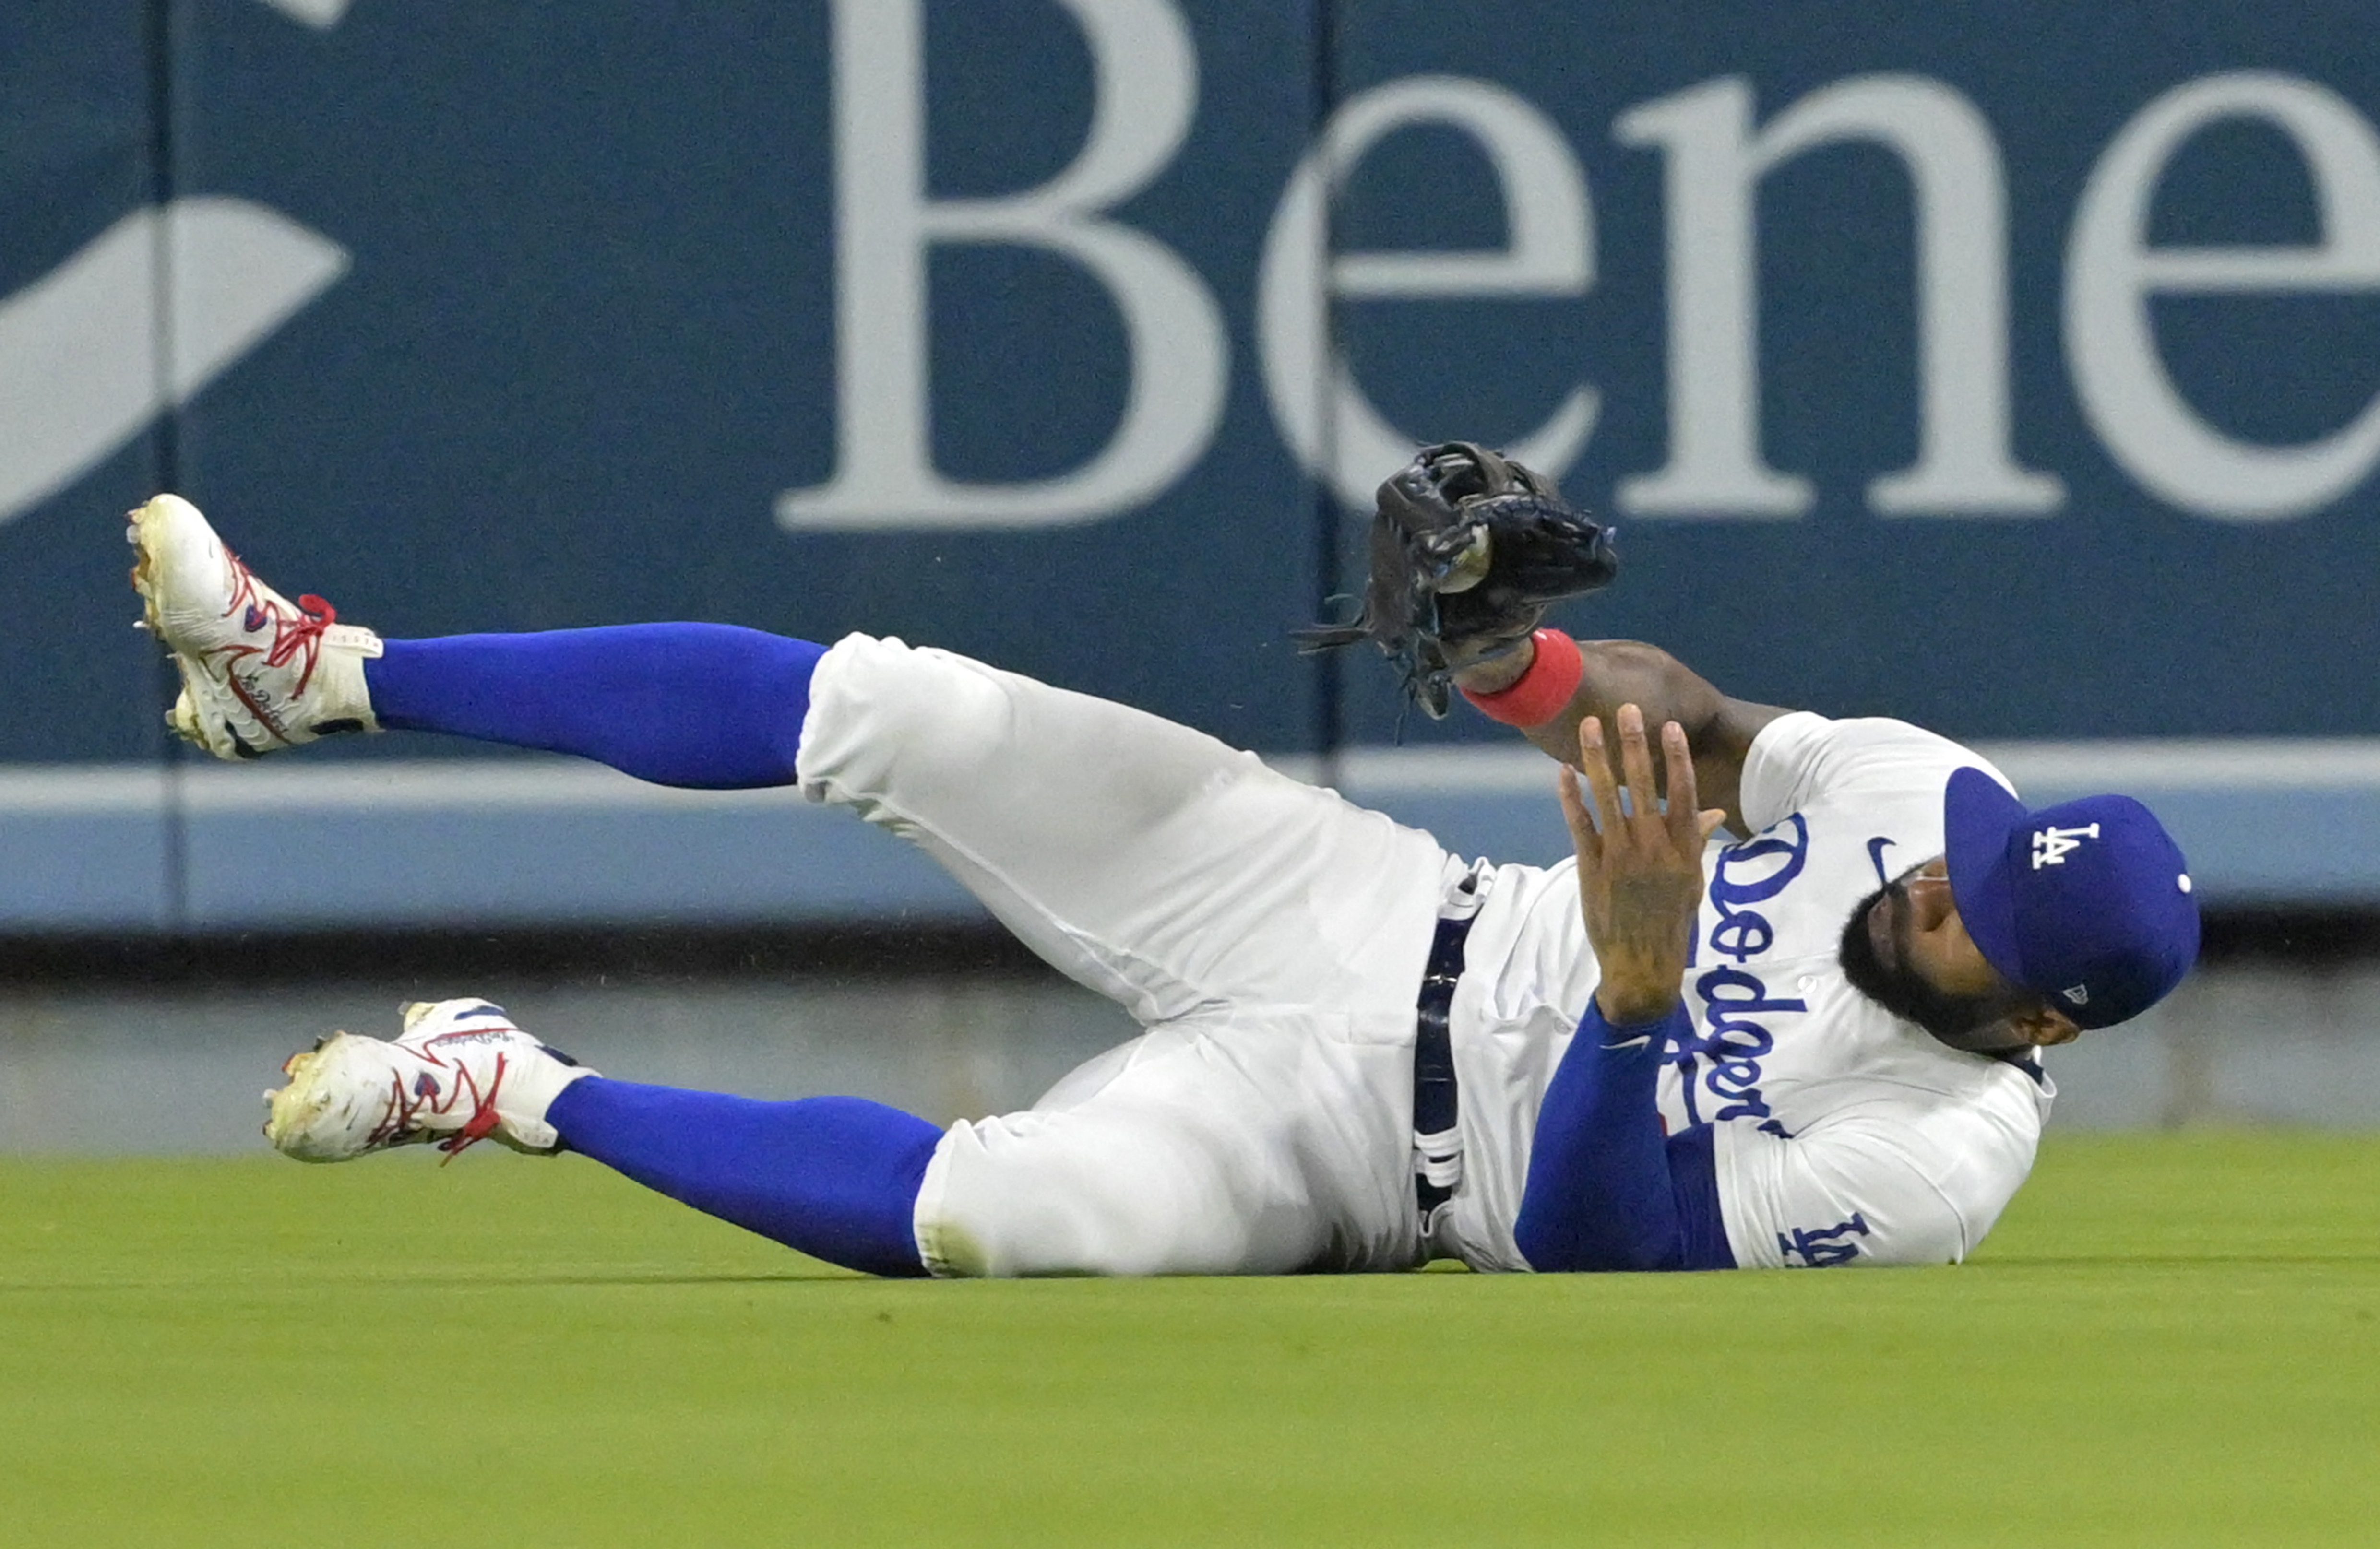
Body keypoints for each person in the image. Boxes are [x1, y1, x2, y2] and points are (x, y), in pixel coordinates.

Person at [126, 488, 2198, 1277]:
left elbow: (1592, 1262)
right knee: (902, 709)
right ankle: (319, 677)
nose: (1936, 881)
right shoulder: (1929, 802)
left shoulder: (1931, 1163)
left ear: (2030, 1019)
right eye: (1967, 864)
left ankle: (511, 1086)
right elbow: (1695, 728)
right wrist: (1517, 663)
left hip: (1361, 1166)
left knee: (1017, 1221)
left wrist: (1644, 1009)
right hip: (1369, 907)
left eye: (1969, 922)